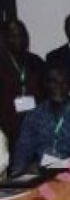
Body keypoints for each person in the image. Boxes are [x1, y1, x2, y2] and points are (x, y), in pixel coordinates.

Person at [10, 65, 70, 175]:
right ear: (45, 85)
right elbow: (22, 152)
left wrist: (52, 169)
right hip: (39, 178)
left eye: (64, 82)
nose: (59, 87)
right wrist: (18, 174)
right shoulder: (34, 115)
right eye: (53, 82)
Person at [0, 19, 45, 149]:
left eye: (22, 35)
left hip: (36, 128)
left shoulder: (36, 61)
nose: (19, 39)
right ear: (5, 38)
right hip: (7, 129)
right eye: (13, 35)